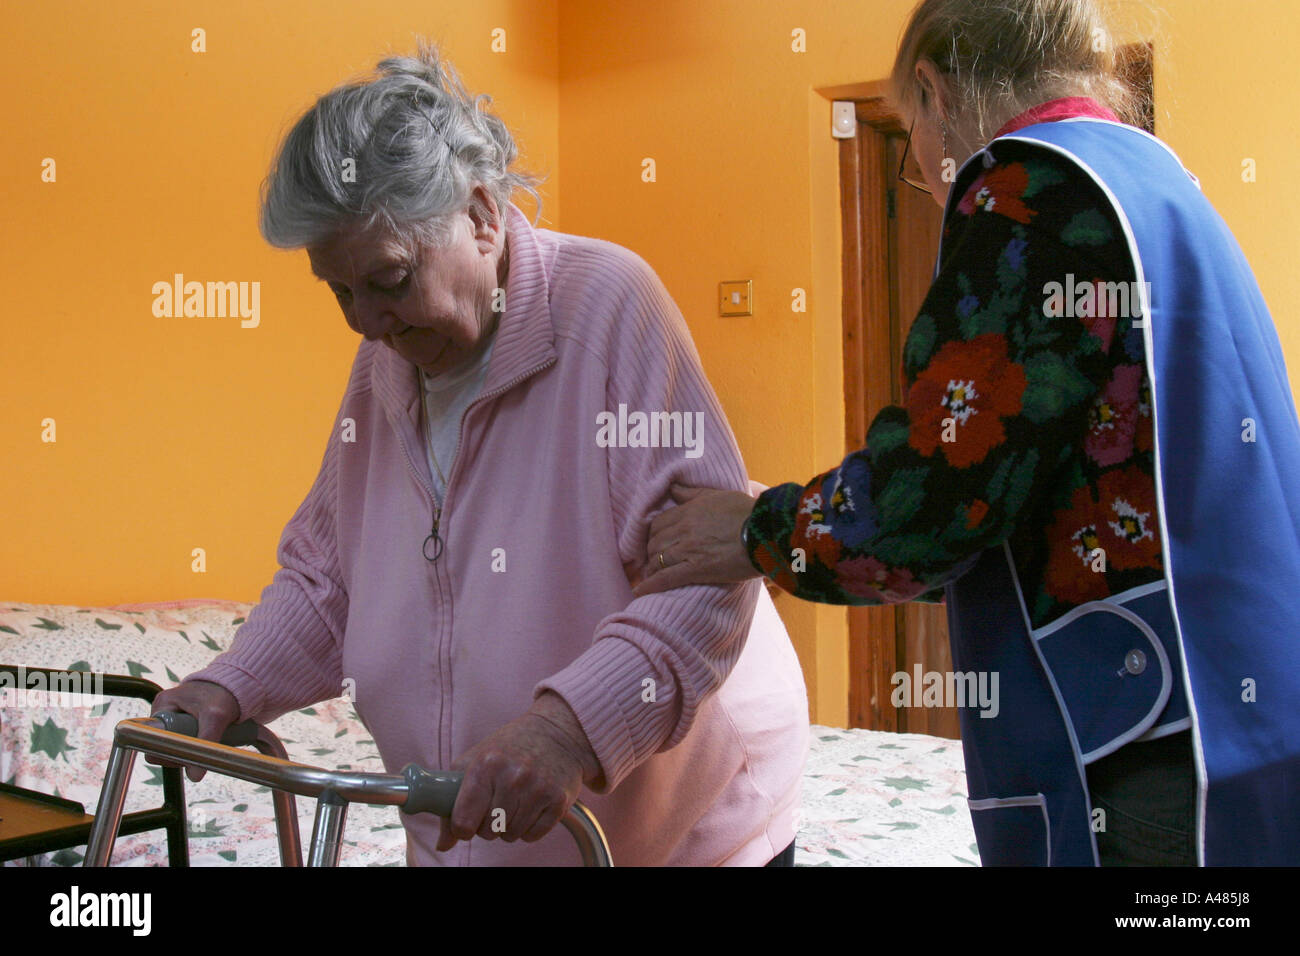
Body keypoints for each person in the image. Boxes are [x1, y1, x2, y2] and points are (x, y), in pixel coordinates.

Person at [636, 0, 1300, 866]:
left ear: (932, 91)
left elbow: (938, 496)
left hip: (1147, 743)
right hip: (1239, 691)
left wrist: (755, 531)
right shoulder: (1152, 174)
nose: (922, 167)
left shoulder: (1036, 190)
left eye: (911, 134)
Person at [151, 41, 809, 866]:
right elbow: (329, 584)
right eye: (338, 291)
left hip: (677, 830)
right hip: (476, 832)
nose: (365, 320)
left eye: (389, 279)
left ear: (481, 213)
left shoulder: (607, 307)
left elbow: (707, 579)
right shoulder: (387, 361)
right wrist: (229, 684)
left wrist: (566, 731)